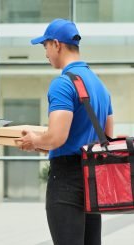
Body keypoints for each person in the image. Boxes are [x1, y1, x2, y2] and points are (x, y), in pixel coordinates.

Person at [18, 19, 113, 245]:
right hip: (92, 179)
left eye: (45, 47)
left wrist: (34, 140)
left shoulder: (63, 83)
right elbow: (107, 138)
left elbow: (57, 137)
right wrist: (46, 144)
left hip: (67, 181)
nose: (46, 53)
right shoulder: (100, 85)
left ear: (57, 44)